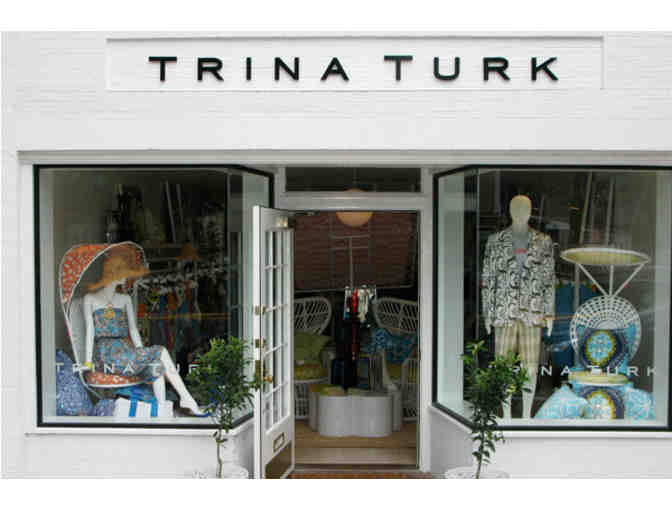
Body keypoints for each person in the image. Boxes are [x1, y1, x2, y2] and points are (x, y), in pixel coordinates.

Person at [83, 255, 203, 416]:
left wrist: (141, 354)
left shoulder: (125, 299)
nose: (127, 276)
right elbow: (90, 330)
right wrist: (87, 362)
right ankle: (186, 398)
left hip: (126, 351)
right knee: (160, 351)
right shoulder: (90, 298)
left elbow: (133, 330)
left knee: (156, 364)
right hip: (106, 353)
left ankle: (162, 410)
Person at [482, 195, 555, 419]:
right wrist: (487, 313)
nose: (521, 211)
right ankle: (505, 415)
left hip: (533, 313)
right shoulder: (495, 241)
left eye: (525, 207)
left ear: (531, 211)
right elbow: (488, 279)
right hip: (503, 313)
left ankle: (526, 415)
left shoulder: (543, 241)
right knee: (503, 367)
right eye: (516, 207)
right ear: (509, 210)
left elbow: (549, 279)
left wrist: (549, 313)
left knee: (530, 368)